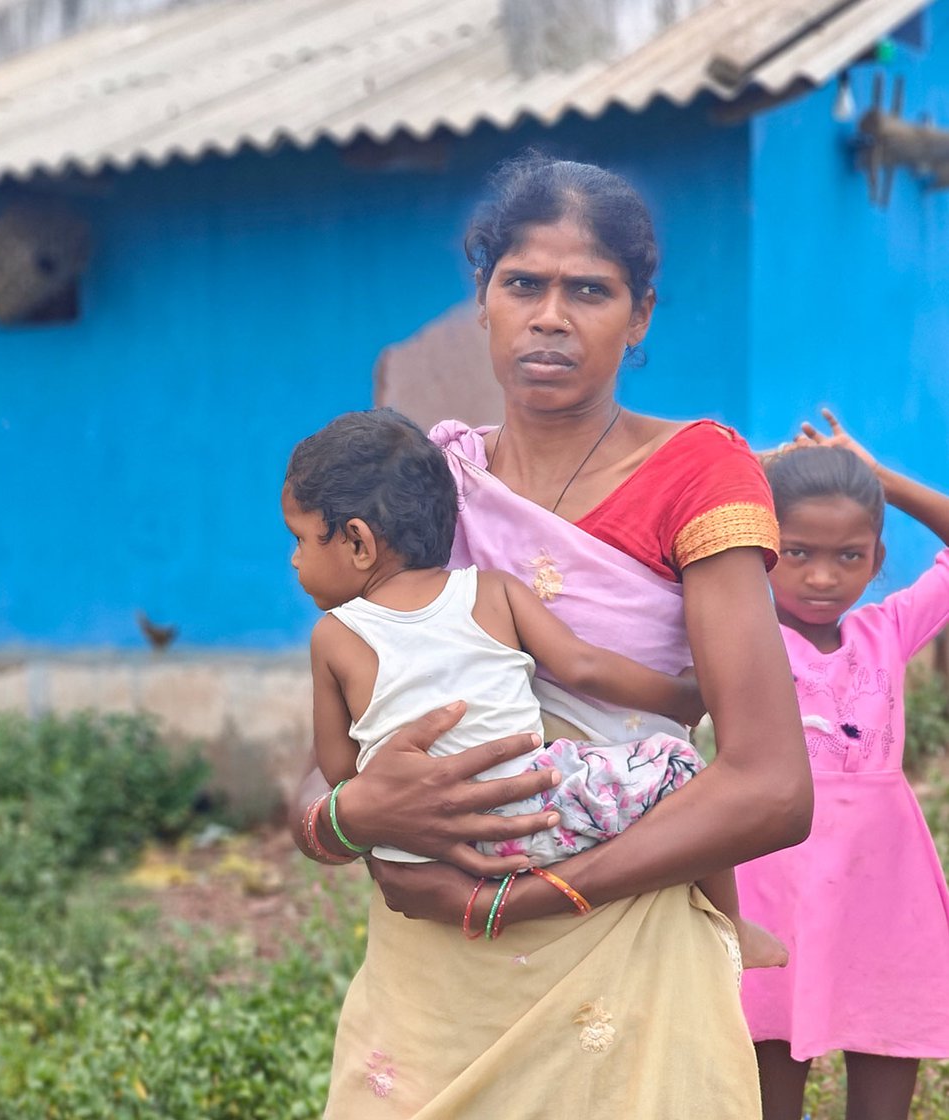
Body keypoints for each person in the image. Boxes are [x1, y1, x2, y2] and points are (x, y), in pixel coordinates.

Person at [287, 151, 812, 1119]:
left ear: (640, 315)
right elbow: (331, 770)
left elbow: (774, 786)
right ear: (482, 299)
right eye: (523, 283)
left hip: (623, 956)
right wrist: (358, 816)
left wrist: (540, 892)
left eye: (590, 291)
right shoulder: (432, 486)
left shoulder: (700, 474)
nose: (551, 316)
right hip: (435, 979)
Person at [285, 406, 788, 967]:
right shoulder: (491, 591)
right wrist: (690, 695)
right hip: (540, 814)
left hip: (425, 856)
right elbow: (582, 667)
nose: (295, 559)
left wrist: (372, 805)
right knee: (677, 768)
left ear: (357, 542)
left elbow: (339, 774)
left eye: (301, 539)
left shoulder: (333, 637)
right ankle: (732, 925)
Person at [737, 410, 949, 1120]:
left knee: (888, 1046)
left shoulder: (885, 630)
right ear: (762, 547)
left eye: (848, 556)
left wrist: (878, 480)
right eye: (795, 553)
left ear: (877, 558)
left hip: (883, 886)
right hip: (770, 877)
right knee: (768, 1073)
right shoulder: (734, 631)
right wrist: (743, 477)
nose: (822, 577)